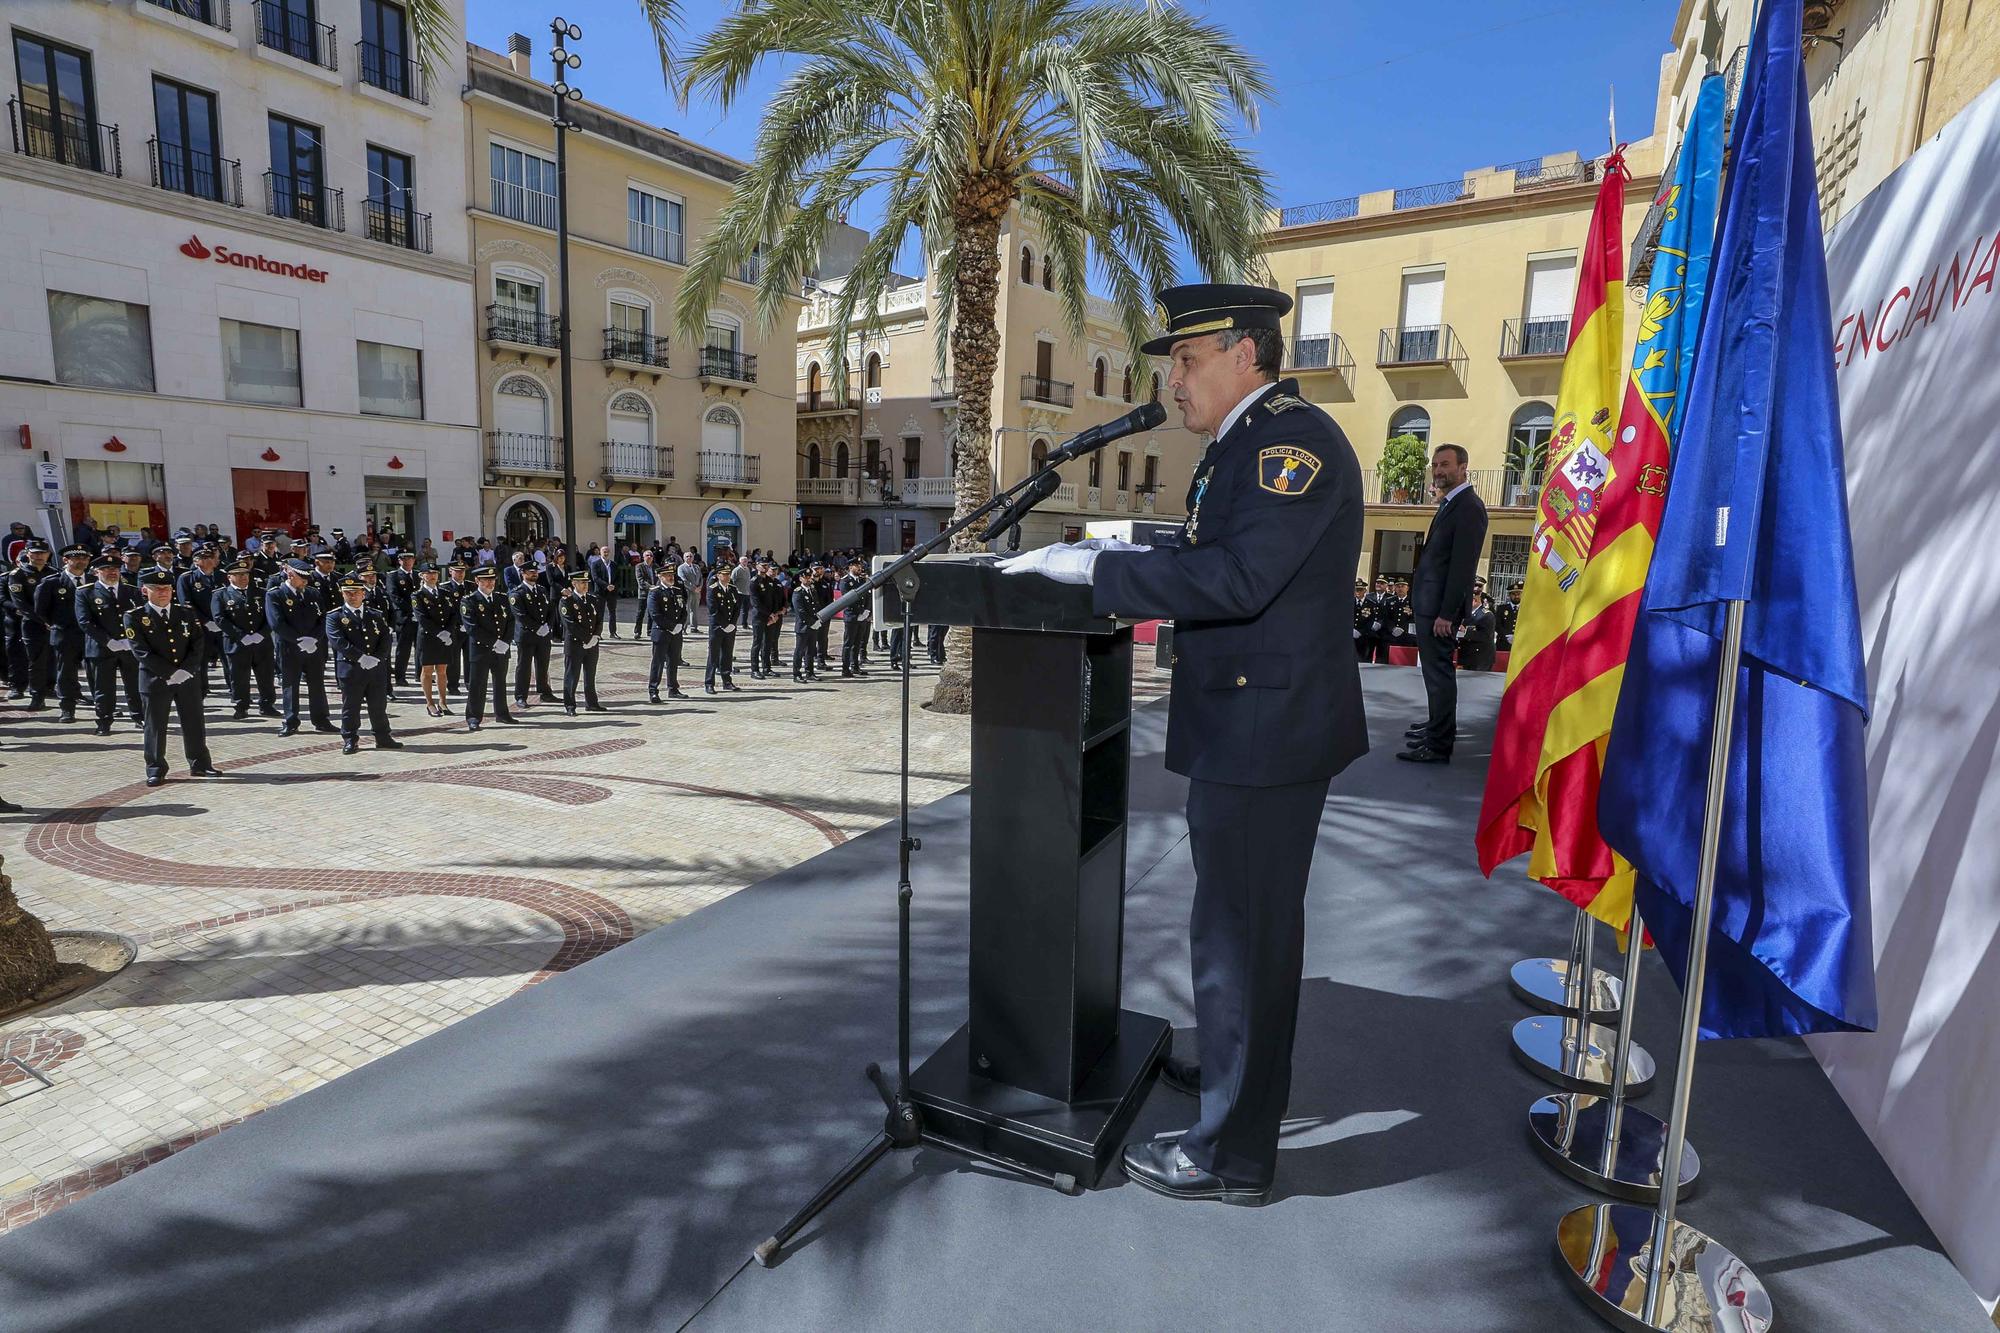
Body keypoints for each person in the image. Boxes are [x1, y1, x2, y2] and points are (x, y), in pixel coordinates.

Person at [998, 283, 1366, 1205]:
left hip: (1265, 736)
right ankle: (1239, 1081)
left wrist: (1095, 568)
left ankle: (1231, 1154)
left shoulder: (1292, 443)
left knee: (1241, 939)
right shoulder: (1238, 444)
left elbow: (1237, 576)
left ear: (1246, 352)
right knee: (1236, 931)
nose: (1174, 378)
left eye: (1188, 359)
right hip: (1250, 725)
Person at [1400, 443, 1488, 764]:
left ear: (1463, 467)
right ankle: (1437, 727)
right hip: (1430, 606)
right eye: (1435, 465)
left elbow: (1462, 567)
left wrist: (1446, 614)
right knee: (1433, 675)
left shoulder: (1469, 507)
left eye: (1446, 464)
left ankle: (1438, 745)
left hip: (1440, 611)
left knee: (1438, 675)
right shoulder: (1450, 504)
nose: (1438, 471)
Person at [126, 568, 221, 787]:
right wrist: (170, 672)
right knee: (155, 726)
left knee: (194, 722)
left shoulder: (186, 612)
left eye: (166, 588)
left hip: (187, 678)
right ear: (144, 590)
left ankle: (200, 763)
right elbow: (140, 651)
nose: (163, 592)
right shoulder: (135, 616)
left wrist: (186, 670)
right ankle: (156, 768)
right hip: (155, 680)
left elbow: (198, 644)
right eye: (157, 589)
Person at [326, 575, 401, 754]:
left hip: (375, 669)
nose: (352, 596)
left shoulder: (375, 615)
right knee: (351, 707)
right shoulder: (335, 616)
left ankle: (383, 736)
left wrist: (377, 658)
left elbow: (385, 639)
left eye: (356, 592)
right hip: (351, 669)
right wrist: (360, 658)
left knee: (378, 706)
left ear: (363, 594)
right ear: (342, 594)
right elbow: (338, 641)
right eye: (347, 593)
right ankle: (350, 739)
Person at [266, 558, 335, 736]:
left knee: (317, 683)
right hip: (289, 648)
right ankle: (290, 720)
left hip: (313, 647)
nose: (305, 581)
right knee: (290, 684)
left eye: (307, 578)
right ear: (290, 574)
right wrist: (300, 641)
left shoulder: (313, 593)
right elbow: (277, 624)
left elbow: (323, 619)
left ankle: (321, 719)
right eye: (301, 577)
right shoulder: (275, 594)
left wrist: (313, 639)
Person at [77, 554, 142, 735]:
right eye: (106, 569)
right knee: (103, 688)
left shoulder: (132, 591)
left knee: (135, 684)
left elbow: (141, 618)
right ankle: (104, 721)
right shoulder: (85, 592)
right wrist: (109, 641)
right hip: (101, 648)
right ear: (97, 572)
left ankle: (139, 716)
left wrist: (132, 639)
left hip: (129, 647)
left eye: (115, 569)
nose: (112, 572)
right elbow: (85, 622)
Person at [212, 559, 278, 719]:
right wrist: (241, 636)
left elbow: (271, 616)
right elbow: (219, 618)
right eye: (238, 575)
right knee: (239, 677)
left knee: (266, 675)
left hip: (261, 643)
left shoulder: (261, 593)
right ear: (229, 577)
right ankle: (241, 706)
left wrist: (261, 634)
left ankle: (267, 704)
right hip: (237, 643)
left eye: (245, 574)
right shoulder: (220, 594)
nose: (243, 577)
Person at [35, 545, 92, 722]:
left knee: (98, 673)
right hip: (65, 635)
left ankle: (104, 708)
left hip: (91, 635)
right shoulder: (52, 582)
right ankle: (67, 709)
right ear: (65, 560)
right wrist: (56, 625)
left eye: (84, 558)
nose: (81, 561)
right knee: (66, 673)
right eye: (76, 558)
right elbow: (40, 609)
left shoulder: (94, 580)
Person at [460, 564, 516, 730]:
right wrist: (494, 643)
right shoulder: (469, 601)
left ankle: (502, 713)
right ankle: (473, 717)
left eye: (492, 580)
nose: (490, 583)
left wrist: (505, 642)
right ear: (477, 581)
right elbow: (472, 627)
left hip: (501, 650)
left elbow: (510, 621)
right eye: (485, 580)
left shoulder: (501, 598)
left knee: (500, 682)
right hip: (481, 650)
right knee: (478, 685)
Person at [5, 540, 52, 708]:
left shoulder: (53, 573)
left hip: (55, 625)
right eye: (35, 552)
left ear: (48, 554)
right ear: (28, 553)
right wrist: (44, 621)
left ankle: (65, 693)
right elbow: (21, 604)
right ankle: (37, 696)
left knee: (60, 661)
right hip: (32, 625)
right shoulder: (17, 575)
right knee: (36, 662)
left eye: (42, 553)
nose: (39, 556)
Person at [176, 546, 223, 696]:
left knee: (228, 659)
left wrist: (222, 621)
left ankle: (236, 692)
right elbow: (186, 604)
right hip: (200, 626)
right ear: (196, 561)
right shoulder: (187, 578)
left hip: (222, 625)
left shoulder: (222, 576)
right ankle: (202, 689)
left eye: (210, 557)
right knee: (200, 660)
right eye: (203, 558)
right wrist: (206, 622)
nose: (208, 560)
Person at [558, 568, 608, 714]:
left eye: (586, 582)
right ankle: (570, 705)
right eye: (581, 582)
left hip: (592, 644)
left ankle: (591, 703)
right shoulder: (567, 600)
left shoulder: (593, 599)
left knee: (590, 675)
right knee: (572, 676)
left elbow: (599, 620)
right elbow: (570, 624)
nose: (585, 585)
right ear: (574, 583)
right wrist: (586, 638)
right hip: (575, 644)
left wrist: (596, 637)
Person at [510, 563, 557, 707]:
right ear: (523, 574)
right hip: (526, 635)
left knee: (543, 664)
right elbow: (520, 615)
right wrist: (537, 628)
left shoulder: (542, 590)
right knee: (524, 666)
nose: (534, 574)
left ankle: (545, 692)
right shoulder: (517, 593)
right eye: (530, 572)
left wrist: (547, 626)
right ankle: (520, 696)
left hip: (543, 635)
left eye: (535, 572)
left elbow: (550, 609)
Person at [411, 564, 455, 718]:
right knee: (428, 670)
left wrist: (448, 631)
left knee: (442, 670)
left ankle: (443, 701)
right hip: (428, 637)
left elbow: (453, 614)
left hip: (444, 636)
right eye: (428, 574)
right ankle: (430, 703)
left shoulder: (445, 593)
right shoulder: (417, 595)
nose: (432, 576)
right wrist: (439, 633)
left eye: (435, 573)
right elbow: (422, 618)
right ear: (422, 576)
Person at [644, 565, 689, 702]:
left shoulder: (677, 591)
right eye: (667, 575)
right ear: (660, 576)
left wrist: (680, 624)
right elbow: (655, 614)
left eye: (672, 575)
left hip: (676, 633)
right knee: (657, 663)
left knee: (673, 661)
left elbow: (683, 610)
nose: (671, 577)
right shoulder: (655, 592)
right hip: (662, 632)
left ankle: (673, 688)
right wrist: (671, 626)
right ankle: (653, 690)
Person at [705, 566, 741, 694]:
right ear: (718, 575)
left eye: (728, 574)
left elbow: (737, 607)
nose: (727, 577)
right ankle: (709, 683)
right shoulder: (713, 589)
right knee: (713, 656)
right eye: (724, 574)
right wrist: (725, 624)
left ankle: (727, 681)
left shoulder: (732, 589)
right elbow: (713, 610)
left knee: (727, 655)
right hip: (717, 627)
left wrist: (732, 623)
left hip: (730, 628)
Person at [387, 549, 420, 689]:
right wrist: (413, 611)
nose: (407, 562)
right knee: (403, 648)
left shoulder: (418, 575)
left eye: (410, 559)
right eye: (404, 559)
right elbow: (394, 596)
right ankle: (400, 676)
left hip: (420, 617)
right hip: (404, 617)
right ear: (399, 561)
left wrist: (420, 612)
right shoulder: (393, 576)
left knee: (421, 647)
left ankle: (421, 674)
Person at [751, 558, 786, 679]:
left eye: (766, 566)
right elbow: (756, 603)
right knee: (757, 643)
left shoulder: (769, 581)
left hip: (771, 617)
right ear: (757, 566)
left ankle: (767, 668)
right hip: (759, 617)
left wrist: (775, 614)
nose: (765, 568)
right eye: (763, 565)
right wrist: (770, 614)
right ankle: (755, 669)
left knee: (767, 643)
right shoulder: (754, 581)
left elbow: (772, 600)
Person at [837, 557, 872, 677]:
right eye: (857, 565)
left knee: (858, 643)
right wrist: (860, 612)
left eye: (860, 565)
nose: (860, 568)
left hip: (862, 617)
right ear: (850, 567)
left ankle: (855, 666)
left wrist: (867, 610)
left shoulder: (862, 580)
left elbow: (868, 595)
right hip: (852, 617)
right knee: (848, 644)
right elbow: (848, 599)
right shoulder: (845, 581)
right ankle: (845, 668)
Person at [1457, 587, 1497, 673]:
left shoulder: (1486, 615)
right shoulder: (1466, 614)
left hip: (1481, 657)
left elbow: (1486, 636)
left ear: (1474, 600)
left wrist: (1466, 632)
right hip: (1467, 655)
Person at [790, 570, 820, 682]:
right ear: (801, 579)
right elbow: (800, 611)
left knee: (811, 651)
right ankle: (796, 674)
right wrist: (812, 622)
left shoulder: (813, 590)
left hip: (813, 626)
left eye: (809, 577)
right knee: (799, 651)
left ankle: (810, 672)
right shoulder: (798, 592)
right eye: (805, 577)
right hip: (803, 626)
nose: (808, 579)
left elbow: (816, 606)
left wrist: (817, 620)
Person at [1495, 583, 1520, 654]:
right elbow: (1497, 625)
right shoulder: (1501, 608)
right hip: (1503, 643)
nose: (1516, 596)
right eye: (1513, 594)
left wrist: (1516, 637)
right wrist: (1507, 636)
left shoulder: (1526, 609)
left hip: (1519, 644)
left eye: (1518, 593)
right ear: (1509, 595)